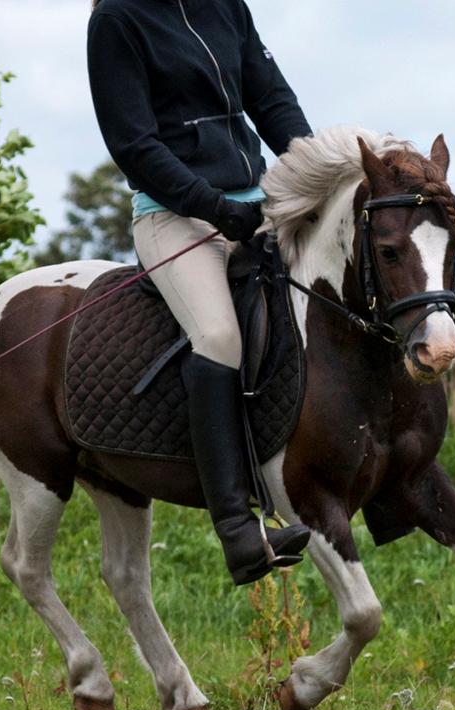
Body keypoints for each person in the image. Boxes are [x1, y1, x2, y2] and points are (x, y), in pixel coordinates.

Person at [87, 0, 313, 586]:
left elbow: (272, 101)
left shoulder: (226, 6)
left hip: (256, 204)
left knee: (342, 293)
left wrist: (318, 175)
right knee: (217, 336)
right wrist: (213, 208)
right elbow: (135, 147)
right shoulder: (116, 21)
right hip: (172, 217)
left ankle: (395, 481)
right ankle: (239, 531)